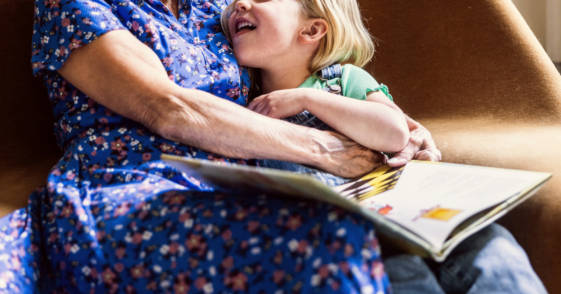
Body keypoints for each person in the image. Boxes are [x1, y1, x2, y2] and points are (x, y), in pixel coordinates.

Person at [0, 0, 544, 293]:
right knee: (335, 240)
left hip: (252, 180)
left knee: (473, 241)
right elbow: (169, 108)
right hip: (133, 184)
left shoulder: (214, 12)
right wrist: (329, 149)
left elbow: (303, 62)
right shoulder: (79, 4)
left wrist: (400, 129)